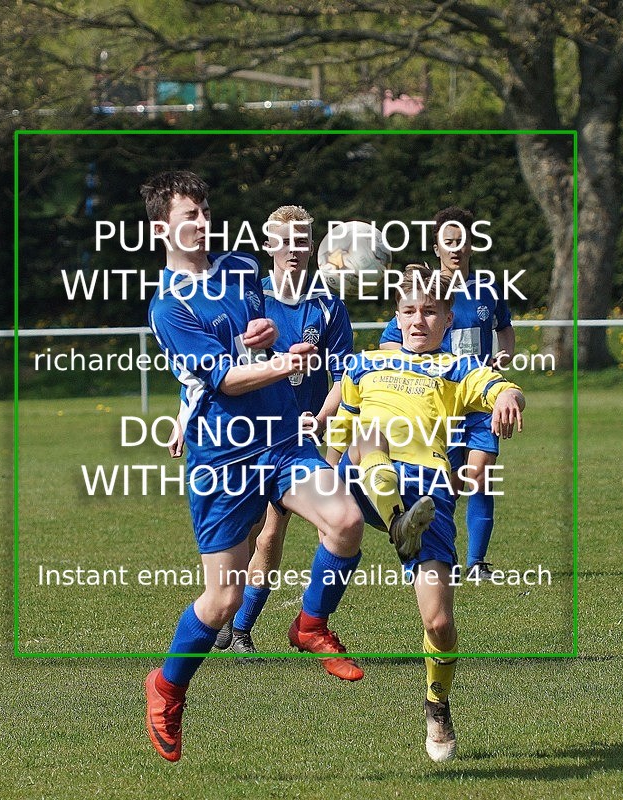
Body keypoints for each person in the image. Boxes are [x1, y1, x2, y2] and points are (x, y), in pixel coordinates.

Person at [142, 170, 366, 763]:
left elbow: (254, 337)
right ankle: (167, 687)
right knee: (220, 602)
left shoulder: (242, 268)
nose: (202, 221)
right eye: (189, 214)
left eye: (205, 208)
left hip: (281, 436)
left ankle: (309, 625)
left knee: (344, 520)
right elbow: (224, 377)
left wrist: (266, 336)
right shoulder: (168, 307)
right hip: (222, 457)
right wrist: (283, 363)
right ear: (162, 227)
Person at [327, 264, 525, 762]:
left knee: (437, 623)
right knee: (368, 438)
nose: (419, 320)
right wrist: (321, 479)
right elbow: (342, 430)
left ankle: (437, 704)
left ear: (448, 319)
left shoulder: (458, 370)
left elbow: (501, 386)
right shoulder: (363, 364)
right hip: (367, 478)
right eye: (410, 311)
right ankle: (397, 520)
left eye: (430, 311)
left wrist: (510, 398)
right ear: (397, 315)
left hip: (430, 493)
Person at [214, 204, 355, 657]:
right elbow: (219, 367)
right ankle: (223, 612)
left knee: (274, 532)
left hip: (298, 439)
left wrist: (323, 417)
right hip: (249, 433)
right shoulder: (249, 298)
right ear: (268, 244)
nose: (293, 250)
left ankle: (240, 628)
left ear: (313, 247)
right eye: (285, 241)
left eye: (302, 241)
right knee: (247, 531)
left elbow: (343, 377)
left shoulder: (328, 305)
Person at [380, 207, 516, 582]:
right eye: (448, 241)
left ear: (473, 243)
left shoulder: (488, 288)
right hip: (438, 403)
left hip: (479, 401)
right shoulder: (426, 293)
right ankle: (433, 555)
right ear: (437, 245)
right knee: (440, 481)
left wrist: (505, 355)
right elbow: (390, 342)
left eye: (462, 241)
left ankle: (477, 562)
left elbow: (505, 328)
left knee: (481, 474)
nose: (455, 249)